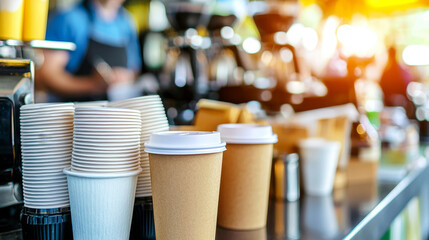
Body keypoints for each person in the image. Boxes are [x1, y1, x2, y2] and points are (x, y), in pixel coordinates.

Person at [37, 0, 142, 102]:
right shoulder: (69, 19)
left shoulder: (127, 22)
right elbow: (46, 75)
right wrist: (92, 84)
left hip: (116, 113)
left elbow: (134, 70)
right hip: (73, 114)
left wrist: (122, 78)